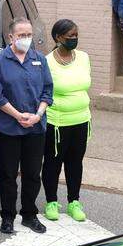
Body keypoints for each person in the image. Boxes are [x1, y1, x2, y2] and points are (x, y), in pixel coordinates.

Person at [0, 18, 52, 235]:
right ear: (11, 37)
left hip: (35, 128)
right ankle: (8, 216)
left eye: (29, 34)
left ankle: (29, 214)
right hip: (7, 128)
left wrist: (37, 115)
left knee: (33, 174)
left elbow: (47, 91)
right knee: (8, 174)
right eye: (21, 35)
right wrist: (17, 115)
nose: (26, 38)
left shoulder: (39, 60)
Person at [40, 19, 92, 223]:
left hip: (81, 120)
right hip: (56, 123)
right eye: (70, 36)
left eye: (76, 35)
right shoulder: (47, 61)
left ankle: (74, 201)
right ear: (58, 38)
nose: (74, 39)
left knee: (75, 163)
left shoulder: (84, 58)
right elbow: (43, 91)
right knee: (53, 163)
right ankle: (51, 201)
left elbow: (85, 84)